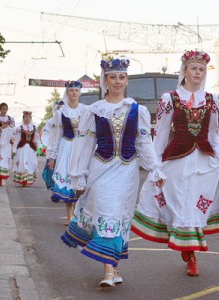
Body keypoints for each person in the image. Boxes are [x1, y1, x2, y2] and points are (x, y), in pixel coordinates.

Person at [132, 50, 219, 277]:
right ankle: (189, 253)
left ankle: (190, 252)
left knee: (195, 206)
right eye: (194, 68)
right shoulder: (170, 98)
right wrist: (155, 165)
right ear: (184, 71)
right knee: (181, 205)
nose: (198, 72)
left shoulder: (211, 99)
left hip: (203, 160)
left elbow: (213, 134)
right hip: (178, 160)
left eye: (201, 69)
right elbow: (161, 133)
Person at [60, 58, 166, 288]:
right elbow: (84, 144)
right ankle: (108, 271)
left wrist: (155, 168)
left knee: (118, 215)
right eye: (113, 77)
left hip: (127, 172)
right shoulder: (94, 111)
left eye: (121, 77)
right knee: (106, 211)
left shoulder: (137, 110)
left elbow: (144, 142)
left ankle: (113, 266)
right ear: (104, 80)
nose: (118, 81)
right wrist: (78, 174)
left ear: (126, 80)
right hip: (101, 169)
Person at [46, 81, 86, 225]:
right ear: (67, 93)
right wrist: (52, 156)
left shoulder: (86, 110)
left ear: (80, 93)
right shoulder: (61, 113)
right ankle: (69, 215)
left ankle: (77, 213)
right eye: (71, 91)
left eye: (76, 90)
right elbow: (55, 135)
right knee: (67, 179)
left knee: (80, 180)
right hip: (66, 147)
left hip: (81, 148)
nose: (74, 93)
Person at [41, 100, 64, 191]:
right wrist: (50, 147)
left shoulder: (71, 120)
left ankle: (60, 190)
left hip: (65, 149)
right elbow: (47, 134)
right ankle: (54, 189)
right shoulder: (51, 121)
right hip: (54, 149)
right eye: (59, 108)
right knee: (52, 170)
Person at [12, 111, 39, 186]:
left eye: (29, 117)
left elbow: (36, 139)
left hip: (31, 148)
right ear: (23, 118)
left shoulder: (34, 128)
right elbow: (17, 139)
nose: (27, 119)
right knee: (23, 163)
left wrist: (38, 148)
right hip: (22, 148)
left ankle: (28, 179)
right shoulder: (19, 128)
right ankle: (23, 180)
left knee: (31, 163)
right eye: (25, 117)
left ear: (31, 118)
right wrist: (14, 149)